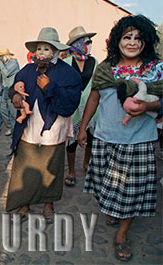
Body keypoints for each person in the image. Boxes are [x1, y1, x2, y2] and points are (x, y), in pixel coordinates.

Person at [78, 15, 162, 262]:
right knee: (106, 187)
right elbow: (94, 97)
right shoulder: (105, 68)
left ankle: (122, 234)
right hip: (105, 139)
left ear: (146, 41)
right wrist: (83, 127)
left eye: (138, 37)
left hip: (140, 142)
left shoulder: (156, 70)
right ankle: (113, 209)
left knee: (133, 192)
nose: (133, 42)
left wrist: (149, 106)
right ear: (118, 41)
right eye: (127, 37)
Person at [5, 27, 81, 223]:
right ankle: (24, 204)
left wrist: (50, 88)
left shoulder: (68, 73)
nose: (41, 53)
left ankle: (48, 204)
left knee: (51, 169)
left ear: (56, 51)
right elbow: (14, 87)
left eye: (47, 49)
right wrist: (14, 95)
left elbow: (71, 103)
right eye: (39, 48)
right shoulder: (28, 70)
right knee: (24, 167)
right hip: (28, 129)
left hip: (54, 131)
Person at [63, 26, 98, 187]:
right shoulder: (66, 62)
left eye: (90, 41)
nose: (89, 44)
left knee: (90, 138)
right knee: (71, 141)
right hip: (73, 107)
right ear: (77, 44)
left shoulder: (94, 61)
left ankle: (86, 163)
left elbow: (96, 84)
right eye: (86, 41)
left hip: (91, 107)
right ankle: (71, 171)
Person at [0, 49, 20, 136]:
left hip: (12, 90)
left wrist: (0, 64)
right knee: (3, 110)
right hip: (5, 90)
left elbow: (6, 73)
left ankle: (15, 129)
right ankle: (11, 127)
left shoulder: (14, 63)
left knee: (13, 112)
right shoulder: (3, 65)